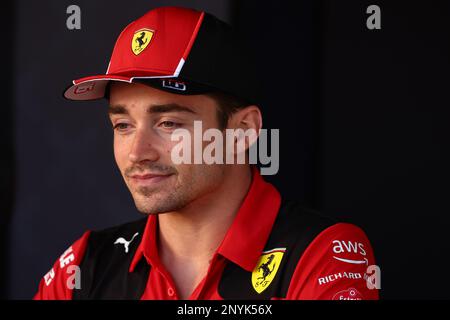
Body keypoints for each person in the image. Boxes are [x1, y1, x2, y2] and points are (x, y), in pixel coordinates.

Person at [34, 6, 379, 300]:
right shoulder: (85, 264)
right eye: (123, 125)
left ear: (243, 131)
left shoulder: (322, 252)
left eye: (168, 123)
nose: (138, 152)